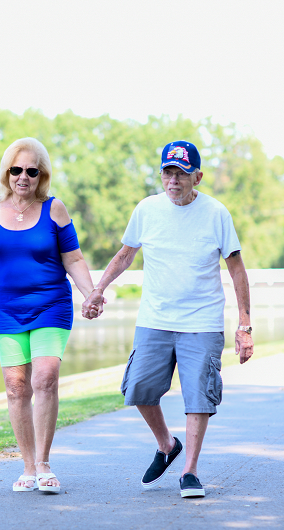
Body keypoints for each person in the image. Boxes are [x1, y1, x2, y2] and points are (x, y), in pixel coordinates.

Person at [82, 140, 254, 498]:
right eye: (167, 172)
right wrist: (98, 289)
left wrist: (244, 325)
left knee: (199, 397)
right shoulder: (147, 209)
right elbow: (125, 255)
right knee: (139, 388)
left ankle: (189, 471)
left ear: (197, 177)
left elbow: (236, 269)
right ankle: (166, 445)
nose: (173, 180)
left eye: (181, 173)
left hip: (202, 321)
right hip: (155, 319)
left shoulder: (216, 213)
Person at [0, 137, 100, 493]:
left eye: (31, 171)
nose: (23, 177)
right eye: (16, 170)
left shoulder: (54, 210)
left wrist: (92, 294)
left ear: (42, 175)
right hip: (7, 311)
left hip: (50, 305)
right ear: (7, 173)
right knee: (15, 388)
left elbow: (73, 259)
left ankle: (44, 464)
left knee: (45, 379)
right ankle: (26, 466)